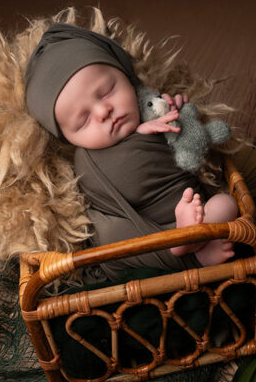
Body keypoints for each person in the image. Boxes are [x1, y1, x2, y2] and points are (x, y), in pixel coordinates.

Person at [24, 24, 236, 280]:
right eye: (83, 120)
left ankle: (192, 237)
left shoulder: (154, 108)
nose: (103, 112)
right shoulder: (86, 161)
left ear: (128, 78)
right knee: (107, 237)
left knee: (225, 204)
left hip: (195, 207)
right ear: (67, 138)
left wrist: (181, 115)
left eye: (106, 91)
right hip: (141, 232)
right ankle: (188, 252)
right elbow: (105, 209)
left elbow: (193, 147)